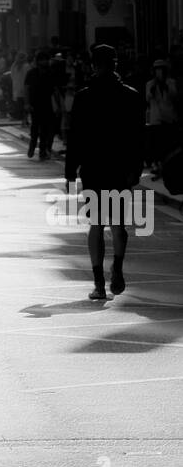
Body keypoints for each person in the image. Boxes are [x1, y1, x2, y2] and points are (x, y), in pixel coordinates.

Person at [65, 44, 145, 301]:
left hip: (94, 167)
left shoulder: (84, 96)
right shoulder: (131, 96)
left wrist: (70, 172)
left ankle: (99, 284)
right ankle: (118, 268)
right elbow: (138, 137)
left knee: (97, 224)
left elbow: (74, 136)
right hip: (120, 167)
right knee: (119, 224)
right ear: (115, 64)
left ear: (93, 65)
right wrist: (137, 168)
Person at [145, 59, 179, 174]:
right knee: (157, 143)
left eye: (161, 69)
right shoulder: (150, 83)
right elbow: (148, 98)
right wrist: (154, 88)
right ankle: (157, 164)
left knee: (168, 142)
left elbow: (174, 96)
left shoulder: (171, 82)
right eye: (156, 70)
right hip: (156, 118)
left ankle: (168, 165)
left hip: (169, 116)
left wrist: (165, 85)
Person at [24, 50, 56, 160]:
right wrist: (27, 103)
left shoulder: (51, 73)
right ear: (38, 61)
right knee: (35, 127)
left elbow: (54, 90)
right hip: (34, 104)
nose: (45, 62)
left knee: (45, 129)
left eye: (46, 60)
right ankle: (32, 146)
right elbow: (27, 89)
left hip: (47, 104)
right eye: (42, 60)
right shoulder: (31, 73)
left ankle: (42, 151)